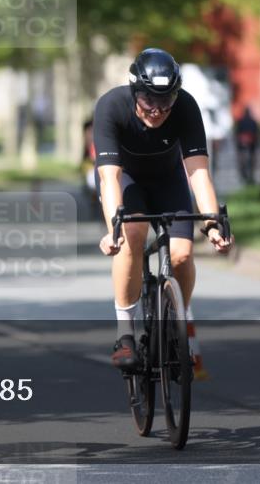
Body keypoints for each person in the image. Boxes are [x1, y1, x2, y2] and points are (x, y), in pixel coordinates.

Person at [93, 48, 233, 376]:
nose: (156, 111)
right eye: (148, 101)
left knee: (183, 254)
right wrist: (114, 228)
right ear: (134, 92)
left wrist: (213, 224)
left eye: (165, 101)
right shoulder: (111, 107)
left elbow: (198, 174)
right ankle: (124, 334)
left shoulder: (186, 107)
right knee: (133, 235)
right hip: (127, 181)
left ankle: (176, 325)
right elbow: (109, 177)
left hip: (169, 181)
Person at [235, 107, 260, 185]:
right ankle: (251, 175)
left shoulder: (240, 121)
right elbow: (256, 132)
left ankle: (244, 174)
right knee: (251, 159)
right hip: (252, 142)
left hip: (242, 142)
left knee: (243, 159)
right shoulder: (253, 121)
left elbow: (237, 132)